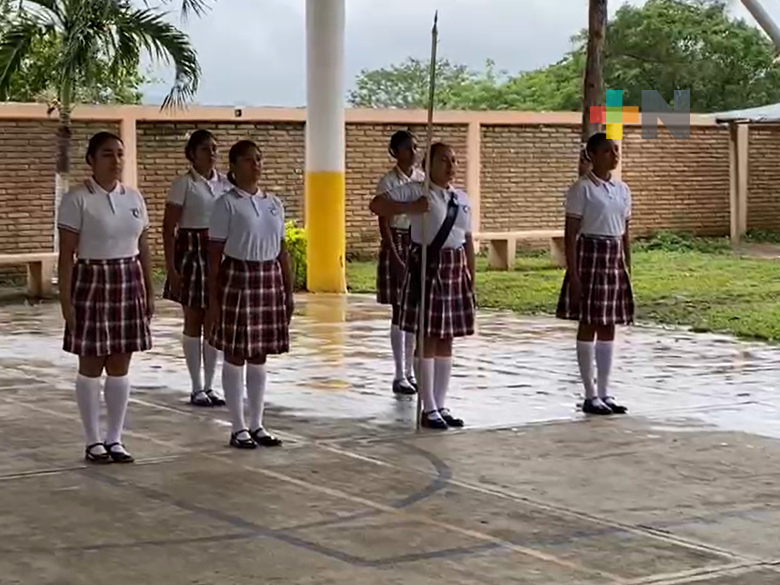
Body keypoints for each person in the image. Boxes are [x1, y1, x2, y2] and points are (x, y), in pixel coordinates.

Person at [57, 131, 154, 464]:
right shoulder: (76, 199)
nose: (116, 161)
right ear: (91, 160)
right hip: (91, 280)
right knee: (91, 362)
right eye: (107, 154)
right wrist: (67, 302)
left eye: (119, 154)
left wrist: (148, 292)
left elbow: (143, 248)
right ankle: (92, 440)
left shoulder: (134, 198)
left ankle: (115, 438)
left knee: (120, 362)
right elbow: (67, 253)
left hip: (127, 280)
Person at [369, 142, 476, 430]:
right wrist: (410, 208)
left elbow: (467, 241)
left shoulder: (461, 198)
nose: (451, 165)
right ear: (428, 165)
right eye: (443, 160)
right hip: (428, 266)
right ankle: (427, 407)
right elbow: (376, 204)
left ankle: (441, 403)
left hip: (454, 269)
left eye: (453, 160)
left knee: (446, 339)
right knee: (427, 337)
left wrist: (471, 278)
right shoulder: (418, 190)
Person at [205, 140, 293, 449]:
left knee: (259, 354)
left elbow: (282, 249)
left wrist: (287, 289)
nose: (255, 165)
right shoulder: (226, 203)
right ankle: (237, 426)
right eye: (248, 160)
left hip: (267, 277)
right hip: (238, 277)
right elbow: (214, 254)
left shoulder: (274, 203)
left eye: (259, 159)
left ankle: (257, 423)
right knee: (236, 352)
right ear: (234, 166)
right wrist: (213, 299)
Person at [556, 132, 634, 416]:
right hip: (590, 253)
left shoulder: (622, 189)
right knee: (589, 322)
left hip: (612, 256)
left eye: (616, 150)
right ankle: (589, 393)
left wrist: (627, 263)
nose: (615, 155)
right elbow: (571, 232)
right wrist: (573, 273)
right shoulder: (582, 189)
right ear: (594, 155)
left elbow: (625, 230)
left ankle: (605, 390)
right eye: (609, 151)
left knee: (609, 324)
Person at [162, 129, 231, 407]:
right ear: (192, 154)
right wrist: (171, 268)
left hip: (217, 250)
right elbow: (169, 227)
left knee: (213, 319)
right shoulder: (184, 185)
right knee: (193, 319)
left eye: (214, 148)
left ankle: (210, 385)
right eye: (204, 149)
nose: (211, 153)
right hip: (191, 251)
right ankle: (195, 386)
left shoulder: (226, 184)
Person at [375, 130, 425, 396]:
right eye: (409, 148)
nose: (415, 152)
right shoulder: (388, 183)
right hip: (397, 239)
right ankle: (399, 373)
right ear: (396, 152)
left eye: (416, 147)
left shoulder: (422, 179)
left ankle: (412, 370)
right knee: (399, 308)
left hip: (416, 239)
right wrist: (393, 254)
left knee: (415, 309)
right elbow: (383, 222)